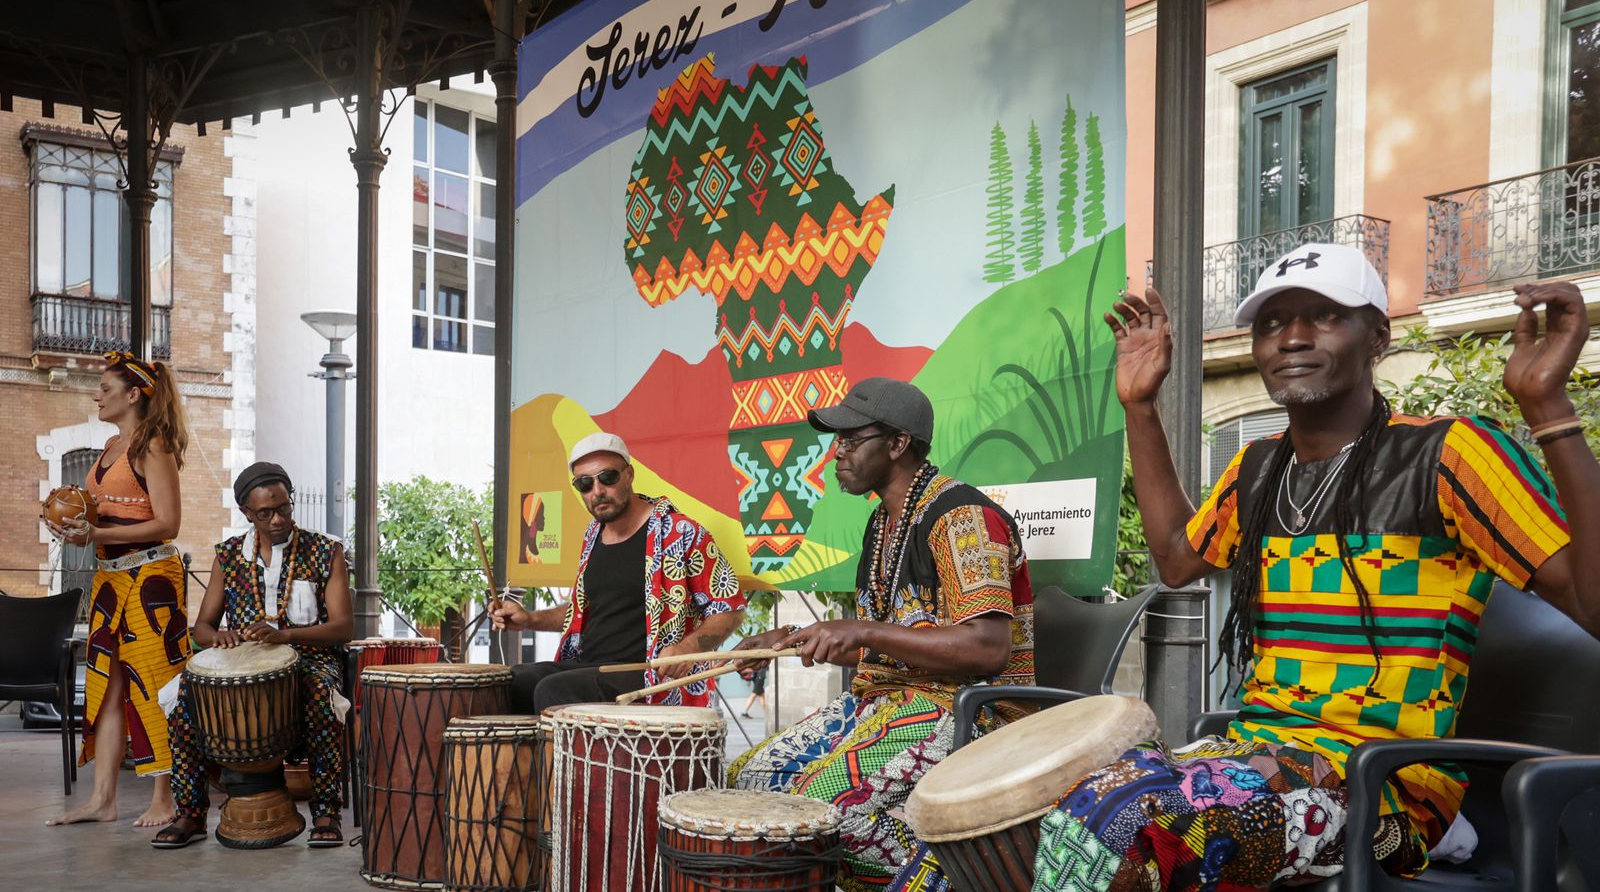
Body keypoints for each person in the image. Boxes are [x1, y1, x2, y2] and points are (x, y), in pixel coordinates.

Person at [1020, 243, 1600, 891]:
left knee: (1130, 823)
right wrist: (1139, 407)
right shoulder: (1257, 471)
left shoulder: (1450, 455)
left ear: (1377, 336)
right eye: (1272, 322)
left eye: (1324, 316)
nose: (1292, 336)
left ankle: (1440, 836)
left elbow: (1591, 602)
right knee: (1057, 803)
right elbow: (1176, 561)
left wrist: (1549, 407)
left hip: (1385, 798)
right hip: (1258, 754)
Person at [729, 377, 1036, 891]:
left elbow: (987, 648)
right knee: (752, 784)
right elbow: (882, 636)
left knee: (820, 816)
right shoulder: (882, 523)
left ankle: (951, 878)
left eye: (850, 439)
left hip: (965, 710)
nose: (835, 453)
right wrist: (787, 638)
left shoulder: (962, 517)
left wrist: (863, 629)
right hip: (883, 702)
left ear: (897, 443)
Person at [150, 462, 354, 848]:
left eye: (284, 508)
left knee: (321, 699)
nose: (278, 518)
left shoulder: (326, 550)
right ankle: (191, 813)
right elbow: (202, 627)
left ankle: (326, 810)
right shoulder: (228, 556)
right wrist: (219, 637)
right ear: (247, 513)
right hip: (243, 662)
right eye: (266, 512)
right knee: (181, 699)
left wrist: (285, 635)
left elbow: (343, 627)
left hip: (311, 658)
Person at [491, 432, 746, 710]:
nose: (597, 491)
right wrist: (530, 619)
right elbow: (582, 612)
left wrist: (688, 649)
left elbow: (730, 610)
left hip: (649, 675)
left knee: (554, 690)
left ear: (629, 475)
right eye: (585, 484)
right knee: (511, 682)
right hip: (590, 668)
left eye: (607, 477)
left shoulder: (681, 533)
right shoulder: (592, 536)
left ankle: (556, 755)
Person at [43, 351, 191, 828]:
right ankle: (102, 800)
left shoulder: (155, 445)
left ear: (132, 395)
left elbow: (168, 522)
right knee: (107, 688)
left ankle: (164, 799)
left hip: (151, 580)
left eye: (106, 389)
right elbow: (101, 510)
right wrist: (67, 520)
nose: (97, 396)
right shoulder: (109, 444)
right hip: (110, 578)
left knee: (156, 686)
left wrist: (96, 535)